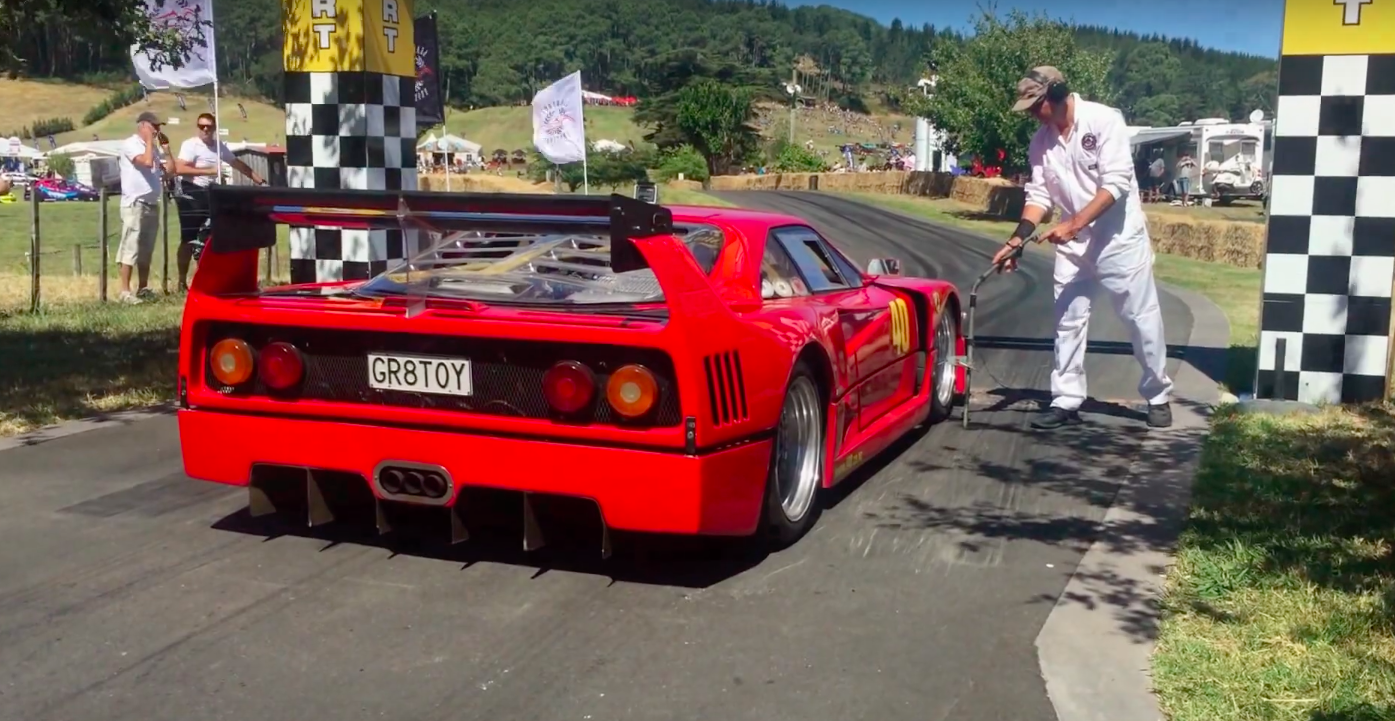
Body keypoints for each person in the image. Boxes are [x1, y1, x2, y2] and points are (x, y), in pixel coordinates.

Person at [991, 66, 1174, 430]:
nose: (1029, 112)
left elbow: (1116, 183)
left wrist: (1074, 224)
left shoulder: (1104, 121)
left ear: (1056, 95)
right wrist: (1017, 239)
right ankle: (1066, 397)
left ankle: (1157, 394)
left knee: (1139, 319)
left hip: (1118, 239)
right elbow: (1040, 195)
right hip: (1074, 242)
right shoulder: (1041, 141)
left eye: (1034, 104)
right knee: (1067, 320)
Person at [172, 112, 266, 291]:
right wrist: (210, 171)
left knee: (213, 235)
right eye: (201, 126)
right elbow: (179, 167)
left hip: (210, 193)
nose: (205, 129)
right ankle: (182, 281)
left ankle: (211, 276)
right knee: (188, 238)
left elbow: (236, 163)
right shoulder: (190, 145)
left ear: (214, 128)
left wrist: (259, 180)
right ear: (197, 127)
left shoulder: (218, 146)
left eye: (208, 126)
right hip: (191, 192)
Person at [117, 112, 176, 303]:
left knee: (146, 248)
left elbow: (170, 173)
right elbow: (146, 162)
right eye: (154, 126)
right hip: (135, 203)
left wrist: (166, 151)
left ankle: (143, 287)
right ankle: (125, 291)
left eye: (159, 127)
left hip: (151, 202)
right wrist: (150, 141)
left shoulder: (153, 149)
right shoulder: (131, 144)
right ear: (143, 125)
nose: (158, 130)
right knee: (130, 246)